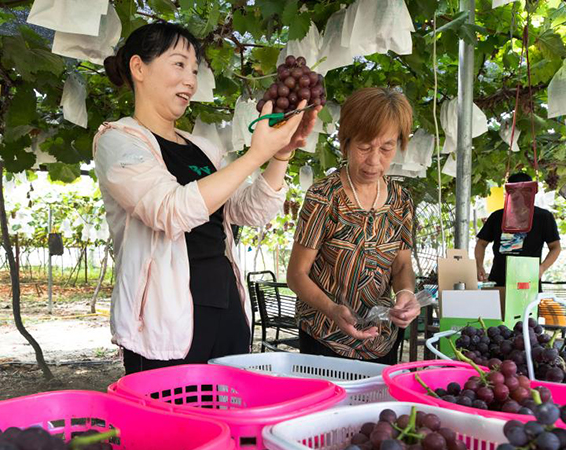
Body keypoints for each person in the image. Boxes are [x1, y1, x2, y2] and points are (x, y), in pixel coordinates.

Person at [94, 22, 320, 374]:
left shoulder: (203, 149)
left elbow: (249, 210)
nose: (190, 81)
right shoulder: (119, 140)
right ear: (139, 68)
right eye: (179, 64)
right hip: (164, 318)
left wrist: (280, 155)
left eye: (195, 70)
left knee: (227, 417)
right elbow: (169, 211)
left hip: (225, 305)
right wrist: (253, 156)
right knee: (172, 425)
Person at [286, 88, 421, 364]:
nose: (374, 161)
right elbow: (297, 274)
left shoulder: (400, 200)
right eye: (364, 147)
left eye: (386, 148)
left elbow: (402, 265)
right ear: (346, 142)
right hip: (325, 340)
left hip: (381, 341)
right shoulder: (325, 197)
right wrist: (333, 309)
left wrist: (406, 295)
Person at [475, 173, 561, 286]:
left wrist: (542, 268)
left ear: (532, 192)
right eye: (514, 191)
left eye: (525, 191)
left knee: (527, 304)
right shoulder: (497, 216)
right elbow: (481, 243)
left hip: (528, 280)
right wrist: (479, 266)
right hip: (499, 279)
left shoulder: (543, 217)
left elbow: (556, 247)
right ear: (508, 192)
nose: (519, 195)